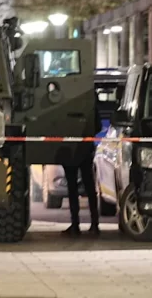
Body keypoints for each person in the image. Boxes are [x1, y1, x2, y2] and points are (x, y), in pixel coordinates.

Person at [62, 97, 102, 237]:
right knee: (89, 187)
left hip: (69, 149)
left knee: (72, 188)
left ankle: (75, 225)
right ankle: (94, 225)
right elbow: (98, 126)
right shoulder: (89, 103)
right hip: (85, 149)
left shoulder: (64, 102)